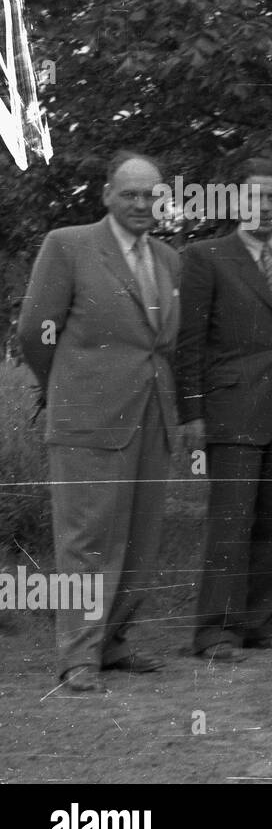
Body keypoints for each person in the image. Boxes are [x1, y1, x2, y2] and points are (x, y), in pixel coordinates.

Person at [18, 152, 180, 692]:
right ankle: (77, 656)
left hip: (152, 417)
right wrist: (67, 391)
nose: (142, 204)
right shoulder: (69, 245)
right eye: (130, 193)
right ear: (107, 194)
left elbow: (162, 346)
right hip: (87, 417)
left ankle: (113, 643)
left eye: (153, 195)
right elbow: (36, 333)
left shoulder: (168, 259)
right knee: (85, 540)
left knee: (140, 537)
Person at [177, 156, 272, 660]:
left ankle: (261, 621)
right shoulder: (205, 256)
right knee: (232, 521)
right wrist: (193, 412)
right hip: (232, 408)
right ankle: (216, 630)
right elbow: (190, 341)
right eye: (253, 196)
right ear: (235, 201)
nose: (263, 207)